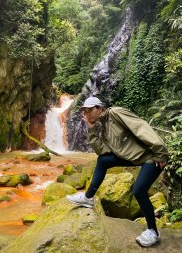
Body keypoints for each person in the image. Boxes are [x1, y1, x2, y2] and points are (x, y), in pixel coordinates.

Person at [67, 96, 168, 247]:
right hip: (132, 157)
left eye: (90, 110)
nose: (87, 114)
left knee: (139, 190)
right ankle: (88, 198)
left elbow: (141, 127)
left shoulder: (115, 113)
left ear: (100, 108)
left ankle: (153, 231)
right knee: (103, 160)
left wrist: (160, 152)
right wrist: (92, 129)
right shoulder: (102, 125)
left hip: (151, 156)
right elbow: (102, 151)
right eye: (85, 112)